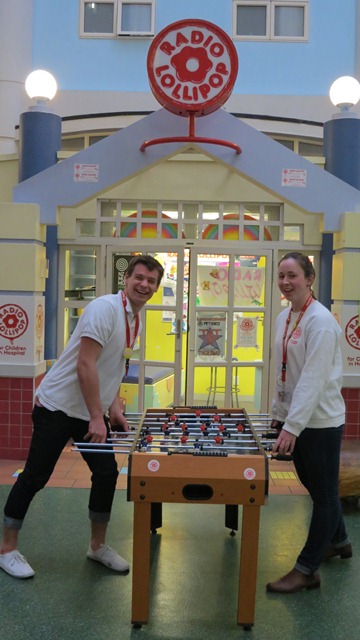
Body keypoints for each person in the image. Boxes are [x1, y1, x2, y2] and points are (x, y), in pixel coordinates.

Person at [0, 255, 164, 579]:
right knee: (35, 476)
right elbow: (85, 365)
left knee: (105, 472)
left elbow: (114, 367)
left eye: (151, 281)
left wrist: (114, 406)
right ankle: (7, 549)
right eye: (139, 277)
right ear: (127, 278)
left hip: (88, 411)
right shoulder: (105, 310)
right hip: (57, 407)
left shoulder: (135, 319)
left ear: (156, 288)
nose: (144, 284)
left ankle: (97, 546)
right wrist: (96, 417)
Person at [266, 251, 351, 594]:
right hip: (298, 419)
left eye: (293, 276)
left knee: (325, 495)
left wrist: (292, 426)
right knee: (316, 487)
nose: (286, 282)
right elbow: (284, 372)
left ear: (309, 279)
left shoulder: (321, 322)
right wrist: (279, 414)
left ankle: (307, 569)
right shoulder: (285, 317)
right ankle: (340, 540)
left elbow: (313, 379)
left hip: (321, 424)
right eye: (282, 276)